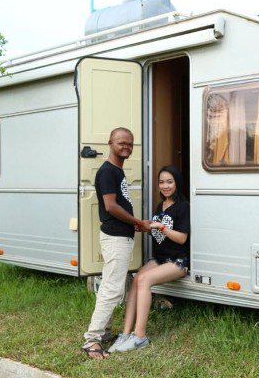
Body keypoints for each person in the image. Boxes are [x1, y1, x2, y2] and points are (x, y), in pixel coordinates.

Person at [81, 127, 151, 359]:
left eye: (130, 144)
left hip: (120, 235)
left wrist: (134, 224)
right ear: (110, 143)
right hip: (115, 237)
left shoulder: (117, 171)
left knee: (111, 285)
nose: (126, 147)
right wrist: (137, 222)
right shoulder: (107, 172)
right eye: (121, 142)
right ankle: (92, 340)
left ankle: (104, 332)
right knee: (112, 288)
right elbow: (111, 206)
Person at [108, 165, 190, 353]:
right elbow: (160, 234)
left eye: (169, 182)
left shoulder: (184, 207)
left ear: (177, 183)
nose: (165, 186)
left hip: (178, 261)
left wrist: (160, 227)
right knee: (137, 278)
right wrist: (147, 228)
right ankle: (125, 334)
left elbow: (181, 238)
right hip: (161, 258)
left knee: (145, 280)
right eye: (161, 182)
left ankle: (140, 337)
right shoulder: (161, 206)